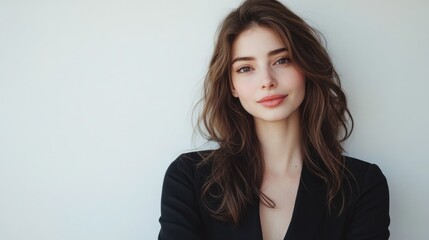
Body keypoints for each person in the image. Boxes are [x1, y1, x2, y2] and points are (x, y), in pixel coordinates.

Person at [158, 0, 390, 239]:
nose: (267, 80)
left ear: (306, 66)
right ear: (232, 86)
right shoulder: (190, 178)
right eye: (245, 68)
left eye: (281, 60)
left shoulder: (362, 185)